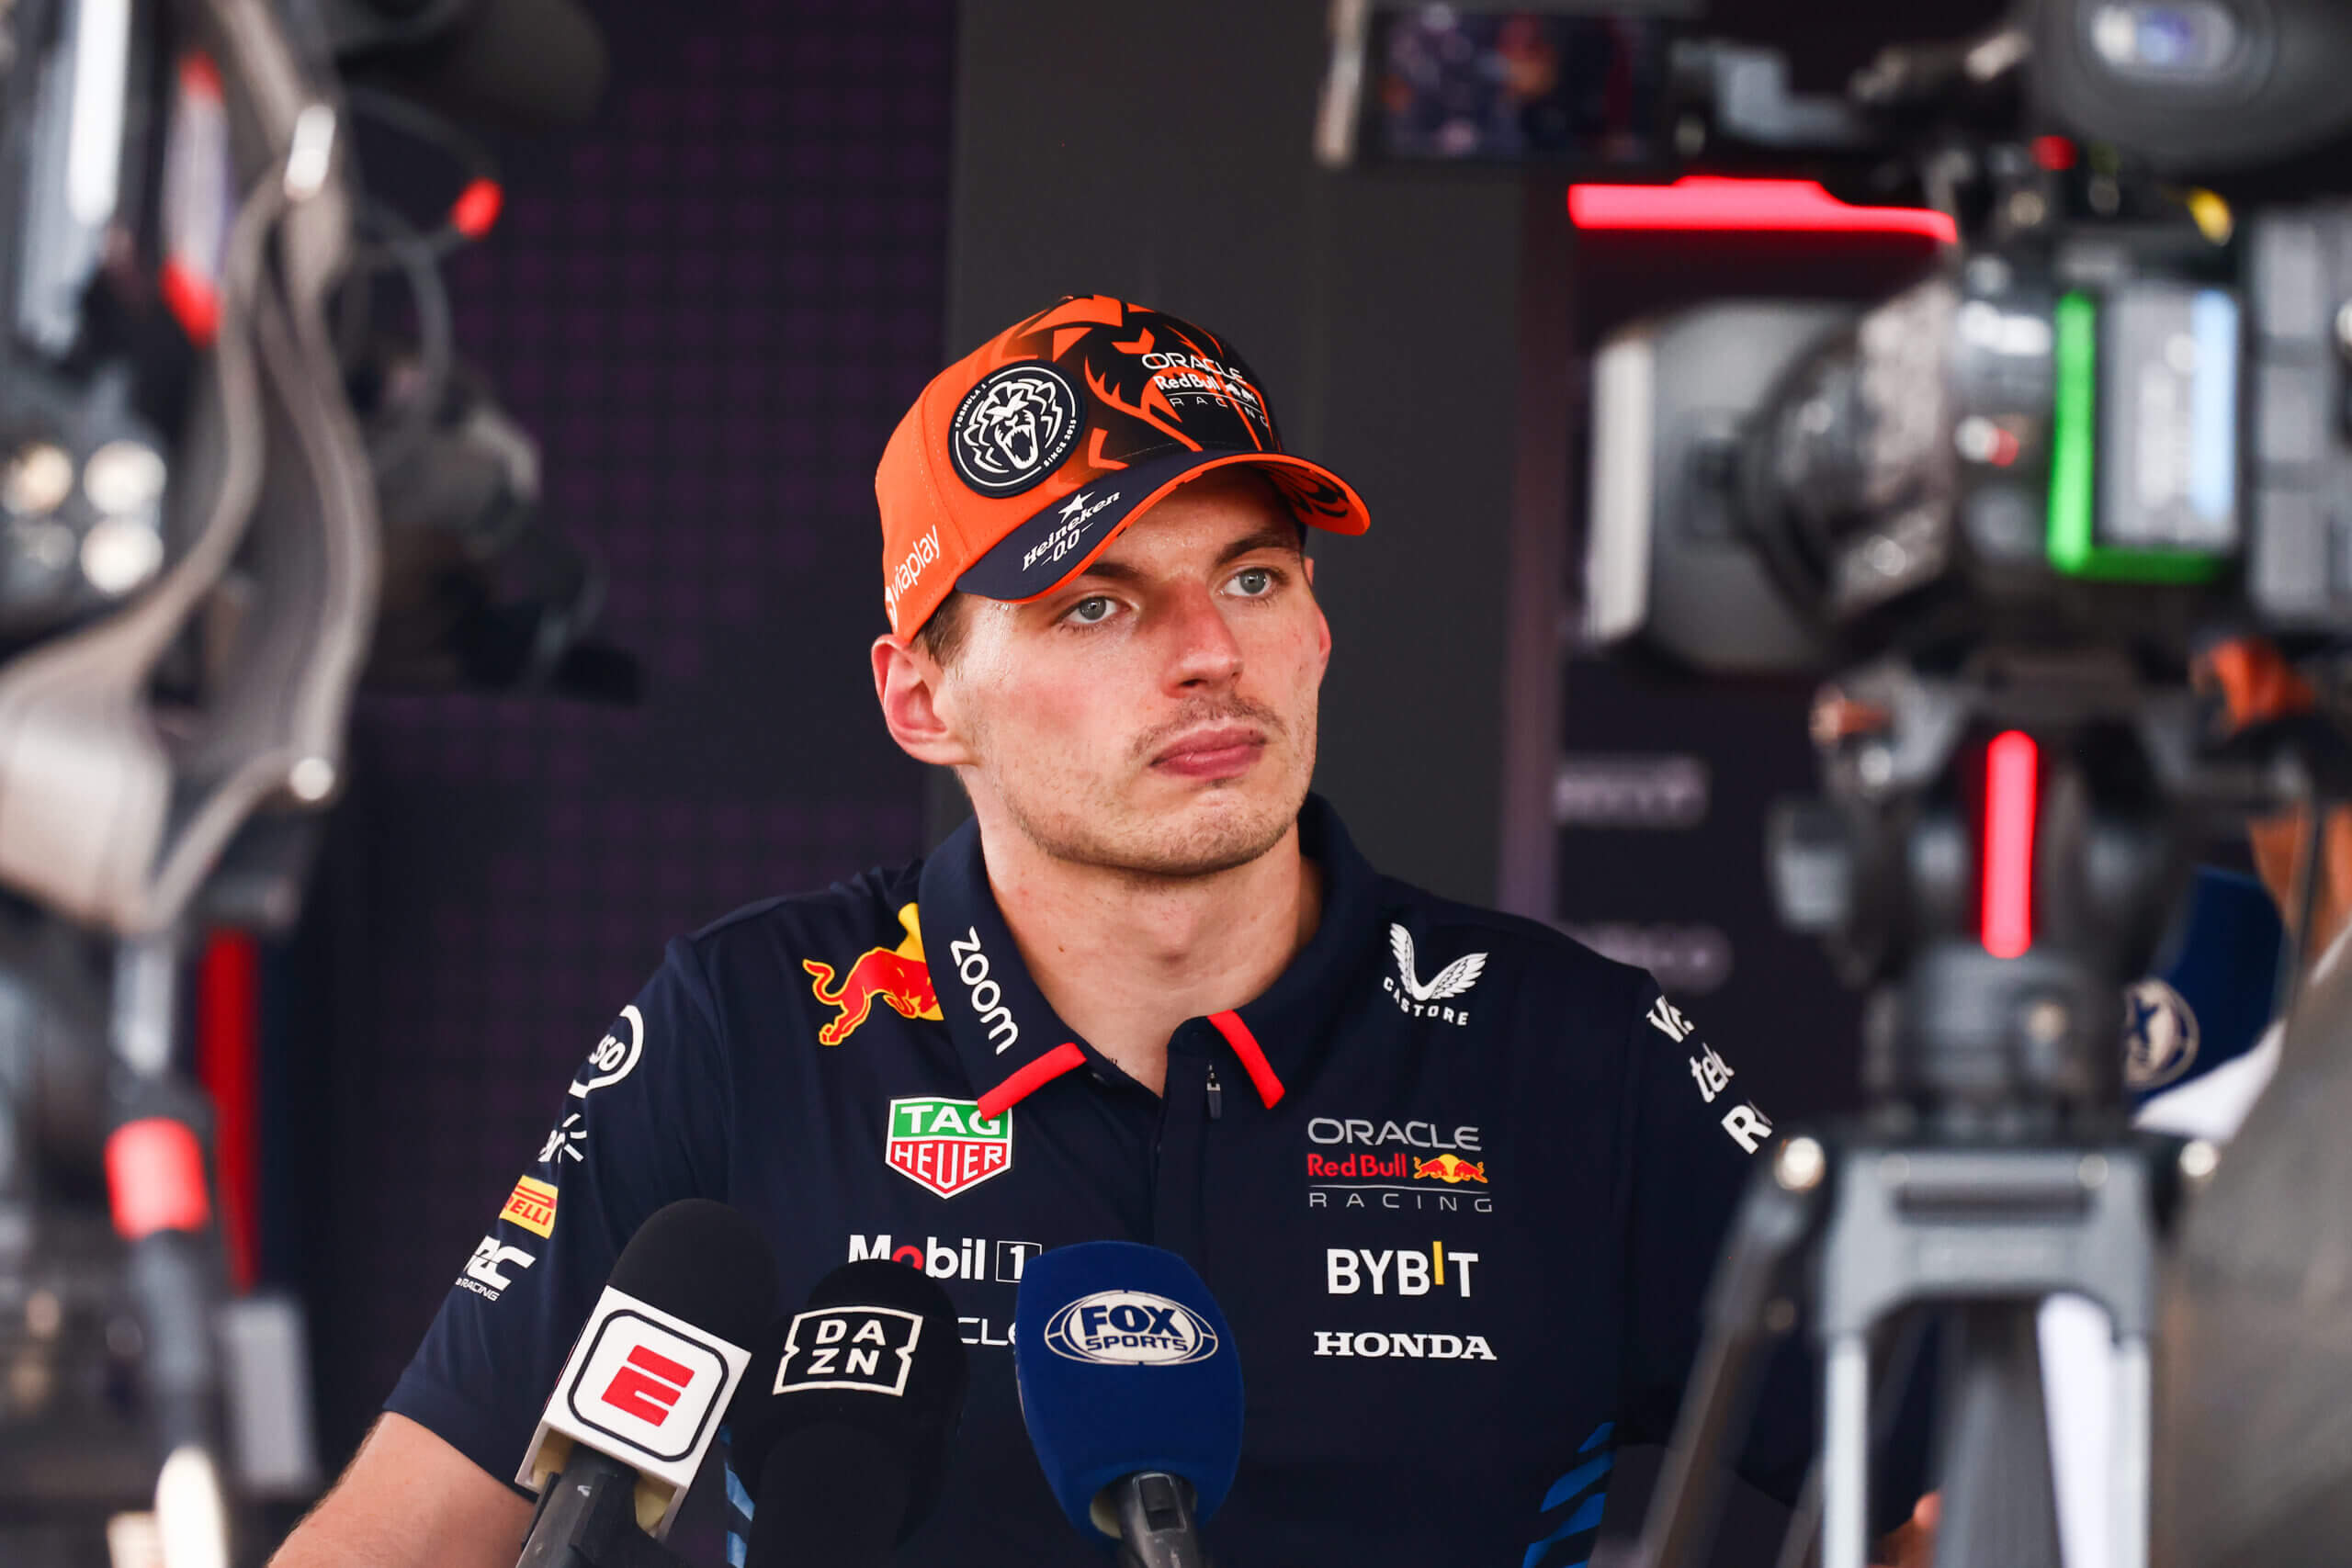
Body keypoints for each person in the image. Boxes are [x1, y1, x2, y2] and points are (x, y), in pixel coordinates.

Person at [271, 296, 1930, 1567]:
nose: (1209, 653)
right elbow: (400, 1540)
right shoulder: (751, 1025)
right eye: (1097, 603)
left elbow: (1976, 1490)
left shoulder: (1576, 1055)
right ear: (922, 698)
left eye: (1257, 578)